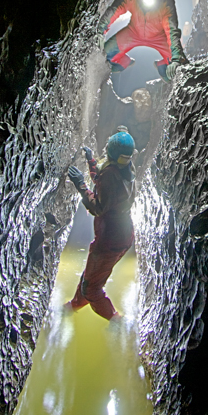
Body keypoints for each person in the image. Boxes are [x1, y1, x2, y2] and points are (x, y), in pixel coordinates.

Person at [65, 131, 136, 322]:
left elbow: (98, 206)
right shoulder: (126, 168)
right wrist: (92, 163)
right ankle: (74, 305)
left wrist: (81, 185)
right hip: (123, 235)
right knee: (91, 276)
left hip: (110, 240)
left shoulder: (112, 175)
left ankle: (115, 321)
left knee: (92, 288)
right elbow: (104, 184)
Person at [97, 0, 188, 81]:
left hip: (159, 37)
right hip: (133, 32)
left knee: (180, 66)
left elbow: (172, 31)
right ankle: (124, 63)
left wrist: (176, 59)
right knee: (105, 56)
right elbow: (114, 10)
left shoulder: (166, 2)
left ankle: (163, 69)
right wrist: (100, 31)